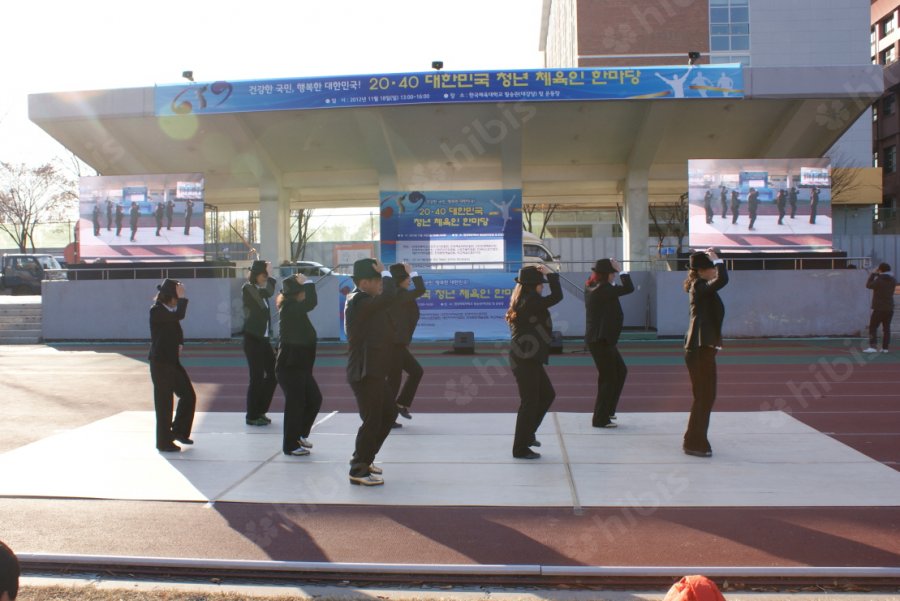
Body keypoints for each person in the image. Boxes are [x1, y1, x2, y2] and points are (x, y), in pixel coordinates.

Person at [345, 258, 400, 486]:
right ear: (364, 282)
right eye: (377, 280)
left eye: (381, 280)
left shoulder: (368, 300)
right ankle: (358, 468)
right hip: (364, 371)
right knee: (372, 421)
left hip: (374, 369)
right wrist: (386, 272)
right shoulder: (359, 300)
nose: (380, 285)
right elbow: (390, 296)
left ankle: (365, 459)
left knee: (388, 414)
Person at [506, 264, 563, 459]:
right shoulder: (530, 301)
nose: (543, 287)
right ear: (532, 286)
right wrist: (552, 274)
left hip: (529, 357)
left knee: (547, 395)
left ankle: (528, 434)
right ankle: (520, 448)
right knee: (530, 402)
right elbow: (557, 297)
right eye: (541, 284)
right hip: (524, 358)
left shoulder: (526, 299)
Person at [682, 249, 728, 458]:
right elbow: (722, 280)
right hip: (699, 349)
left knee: (705, 396)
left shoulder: (701, 287)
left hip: (702, 348)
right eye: (712, 268)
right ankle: (694, 442)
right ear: (702, 271)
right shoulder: (699, 286)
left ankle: (694, 439)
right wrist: (718, 259)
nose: (715, 271)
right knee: (704, 396)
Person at [275, 273, 322, 456]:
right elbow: (311, 303)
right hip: (290, 367)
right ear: (297, 293)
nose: (305, 294)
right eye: (302, 290)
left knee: (314, 399)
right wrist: (308, 282)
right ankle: (290, 445)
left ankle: (299, 434)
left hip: (300, 367)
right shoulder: (290, 307)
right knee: (295, 404)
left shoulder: (293, 307)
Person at [584, 258, 634, 428]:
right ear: (607, 275)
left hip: (603, 339)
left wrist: (615, 271)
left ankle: (608, 411)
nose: (614, 276)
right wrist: (622, 270)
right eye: (613, 274)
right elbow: (629, 288)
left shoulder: (593, 286)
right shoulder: (603, 289)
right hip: (600, 340)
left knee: (620, 371)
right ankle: (600, 418)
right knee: (608, 378)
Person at [149, 278, 196, 452]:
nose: (178, 299)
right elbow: (178, 316)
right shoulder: (157, 310)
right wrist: (183, 298)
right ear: (170, 296)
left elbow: (176, 327)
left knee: (188, 395)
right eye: (176, 296)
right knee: (164, 404)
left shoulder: (169, 310)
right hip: (160, 363)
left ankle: (179, 431)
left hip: (172, 362)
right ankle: (163, 442)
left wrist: (180, 342)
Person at [387, 262, 426, 425]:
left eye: (410, 277)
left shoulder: (401, 294)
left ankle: (398, 406)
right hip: (393, 345)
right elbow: (421, 290)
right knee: (394, 381)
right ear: (400, 279)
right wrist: (414, 272)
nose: (409, 280)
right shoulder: (398, 294)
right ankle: (388, 416)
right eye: (407, 277)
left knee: (415, 372)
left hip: (398, 344)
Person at [242, 260, 277, 426]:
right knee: (256, 377)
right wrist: (270, 274)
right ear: (256, 275)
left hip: (263, 340)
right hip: (252, 339)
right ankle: (251, 415)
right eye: (264, 275)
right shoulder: (248, 289)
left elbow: (267, 292)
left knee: (273, 374)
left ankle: (260, 410)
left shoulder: (259, 291)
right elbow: (269, 292)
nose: (266, 278)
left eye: (266, 275)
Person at [864, 262, 896, 353]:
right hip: (889, 308)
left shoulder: (879, 280)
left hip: (879, 308)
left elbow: (868, 285)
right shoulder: (893, 280)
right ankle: (885, 348)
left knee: (873, 327)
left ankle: (873, 347)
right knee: (886, 329)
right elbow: (886, 278)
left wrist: (873, 274)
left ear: (880, 270)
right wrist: (879, 273)